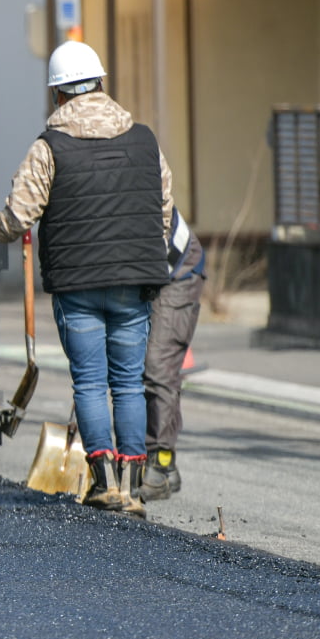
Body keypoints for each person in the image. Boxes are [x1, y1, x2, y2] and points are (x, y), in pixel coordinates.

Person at [0, 40, 172, 516]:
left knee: (92, 385)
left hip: (77, 286)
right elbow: (163, 209)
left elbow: (18, 218)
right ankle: (135, 489)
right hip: (134, 282)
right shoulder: (144, 141)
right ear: (101, 84)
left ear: (57, 96)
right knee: (128, 384)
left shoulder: (48, 147)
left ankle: (104, 485)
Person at [141, 207, 204, 500]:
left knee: (157, 365)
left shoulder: (140, 183)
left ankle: (160, 464)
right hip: (142, 271)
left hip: (176, 271)